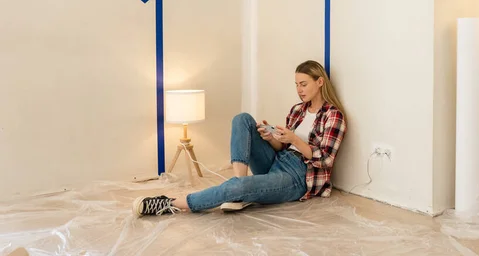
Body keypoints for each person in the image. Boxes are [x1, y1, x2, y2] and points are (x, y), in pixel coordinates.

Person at [133, 60, 347, 217]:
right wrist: (272, 136)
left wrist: (294, 139)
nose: (299, 90)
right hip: (278, 160)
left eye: (303, 84)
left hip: (300, 176)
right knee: (242, 119)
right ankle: (239, 181)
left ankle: (172, 203)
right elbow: (282, 146)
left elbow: (326, 159)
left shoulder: (333, 115)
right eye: (296, 85)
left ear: (319, 82)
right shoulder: (298, 109)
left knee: (236, 187)